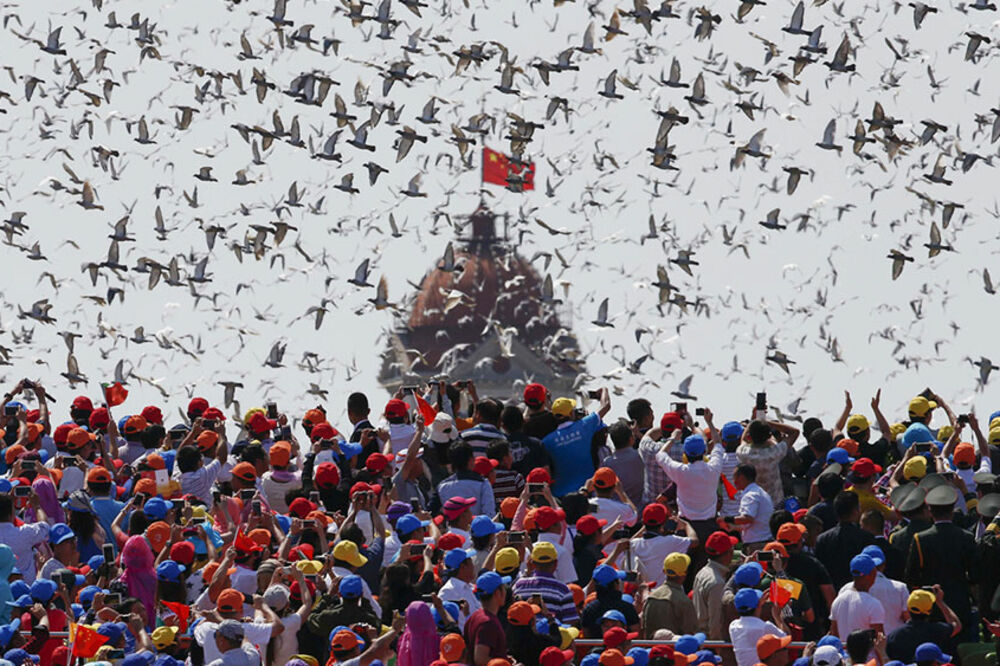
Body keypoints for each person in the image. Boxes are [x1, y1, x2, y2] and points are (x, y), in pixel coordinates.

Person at [903, 484, 979, 636]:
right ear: (952, 511)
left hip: (931, 605)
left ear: (930, 512)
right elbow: (975, 575)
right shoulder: (966, 537)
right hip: (960, 601)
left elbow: (911, 577)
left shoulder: (921, 539)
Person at [656, 412, 723, 542]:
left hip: (685, 527)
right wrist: (709, 422)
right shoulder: (713, 468)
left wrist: (672, 438)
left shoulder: (680, 471)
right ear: (704, 451)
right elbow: (718, 444)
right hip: (709, 527)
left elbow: (660, 455)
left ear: (685, 454)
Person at [541, 391, 610, 496]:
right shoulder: (585, 425)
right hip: (588, 489)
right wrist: (603, 390)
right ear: (571, 414)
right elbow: (606, 405)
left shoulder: (546, 441)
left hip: (560, 495)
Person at [814, 491, 876, 588]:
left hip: (832, 589)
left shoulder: (822, 539)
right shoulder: (866, 538)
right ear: (855, 510)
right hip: (859, 589)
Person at [886, 587, 961, 663]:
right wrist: (940, 601)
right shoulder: (938, 630)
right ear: (930, 611)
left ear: (908, 608)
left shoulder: (894, 636)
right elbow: (957, 625)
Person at [511, 543, 579, 624]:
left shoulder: (519, 585)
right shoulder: (563, 589)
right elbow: (571, 622)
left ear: (532, 564)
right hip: (554, 631)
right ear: (556, 564)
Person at [828, 554, 885, 642]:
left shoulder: (838, 601)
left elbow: (834, 635)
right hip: (866, 651)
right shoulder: (873, 604)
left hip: (844, 651)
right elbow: (879, 641)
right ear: (871, 574)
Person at [693, 531, 737, 640]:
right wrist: (717, 646)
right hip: (711, 642)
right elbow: (716, 623)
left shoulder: (703, 572)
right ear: (729, 553)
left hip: (702, 638)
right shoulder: (717, 583)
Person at [728, 588, 789, 666]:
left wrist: (758, 604)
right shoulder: (765, 627)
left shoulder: (733, 626)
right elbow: (787, 637)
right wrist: (777, 616)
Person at [720, 464, 773, 553]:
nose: (733, 481)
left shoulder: (750, 495)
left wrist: (725, 519)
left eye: (734, 477)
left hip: (756, 545)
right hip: (763, 541)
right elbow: (752, 523)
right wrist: (733, 527)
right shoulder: (760, 492)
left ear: (741, 477)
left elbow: (748, 519)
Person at [641, 553, 696, 637]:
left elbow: (644, 630)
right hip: (676, 645)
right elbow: (690, 633)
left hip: (652, 645)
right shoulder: (684, 601)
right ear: (684, 574)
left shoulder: (651, 598)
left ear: (664, 571)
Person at [464, 572, 509, 666]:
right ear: (497, 593)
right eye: (503, 588)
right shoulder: (488, 622)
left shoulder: (475, 616)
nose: (506, 592)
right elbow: (480, 659)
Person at [602, 422, 645, 506]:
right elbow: (652, 448)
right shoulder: (640, 456)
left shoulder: (607, 463)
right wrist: (638, 433)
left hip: (617, 508)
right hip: (640, 508)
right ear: (631, 439)